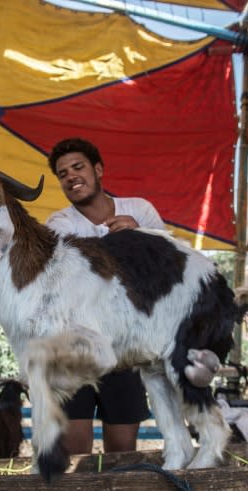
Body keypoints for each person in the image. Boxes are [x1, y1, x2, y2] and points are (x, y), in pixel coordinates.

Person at [45, 137, 164, 455]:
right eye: (63, 173)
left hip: (125, 350)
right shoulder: (59, 223)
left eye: (78, 167)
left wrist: (141, 236)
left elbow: (169, 269)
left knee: (123, 451)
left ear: (98, 169)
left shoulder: (139, 210)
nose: (70, 176)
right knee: (73, 449)